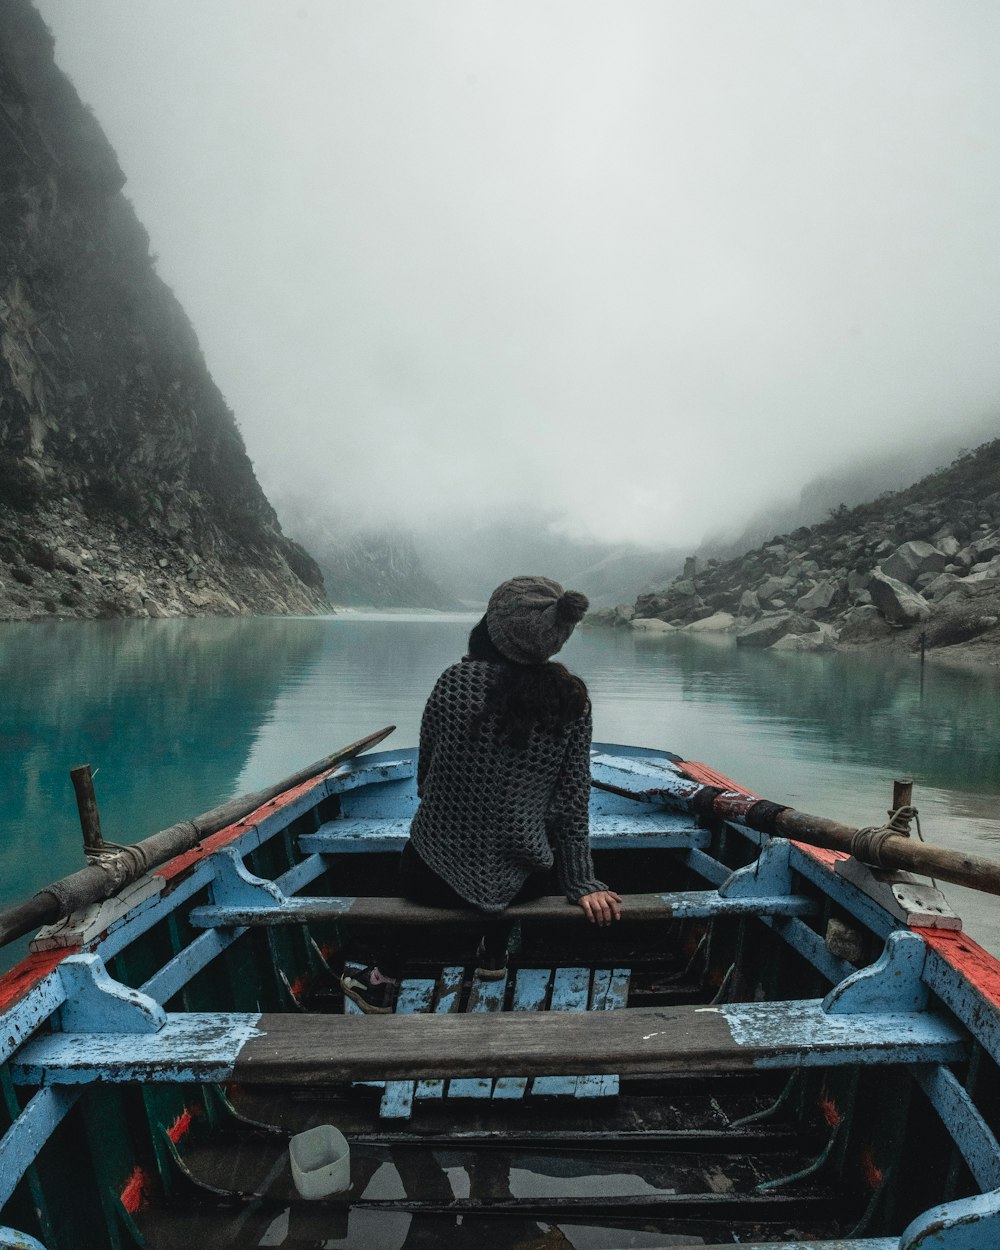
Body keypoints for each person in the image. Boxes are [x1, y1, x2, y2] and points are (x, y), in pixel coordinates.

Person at [340, 574, 622, 1014]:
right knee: (517, 862)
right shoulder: (572, 700)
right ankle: (494, 953)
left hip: (431, 880)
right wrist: (581, 881)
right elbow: (571, 802)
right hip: (526, 883)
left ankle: (382, 976)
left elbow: (425, 778)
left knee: (420, 854)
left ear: (494, 626)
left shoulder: (455, 683)